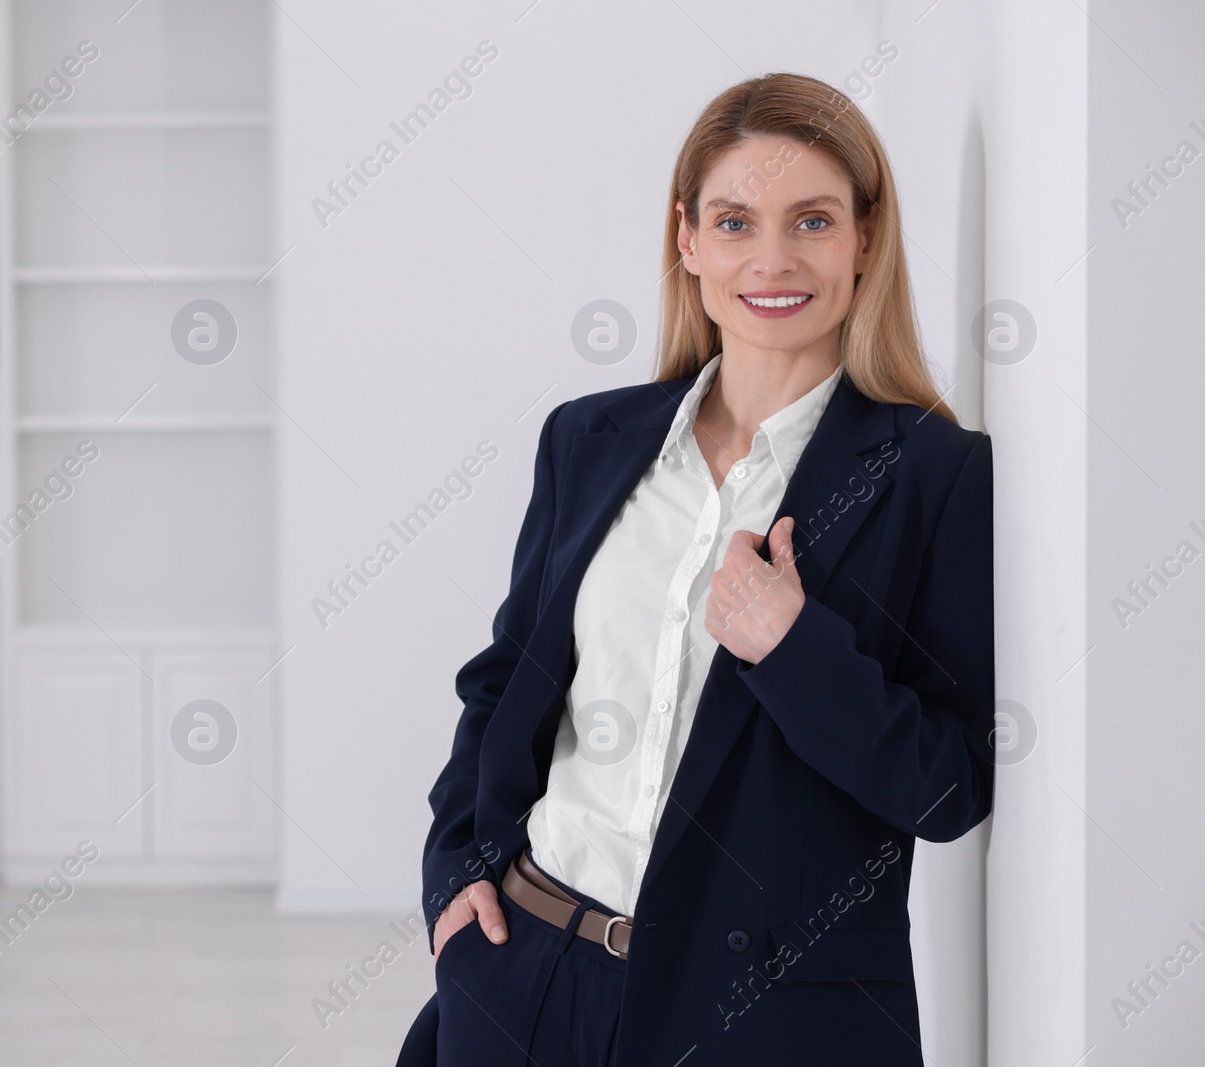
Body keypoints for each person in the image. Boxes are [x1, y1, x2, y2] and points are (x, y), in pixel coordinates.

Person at [397, 71, 995, 1066]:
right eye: (733, 220)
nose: (770, 257)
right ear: (686, 239)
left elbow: (946, 788)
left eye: (810, 220)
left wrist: (792, 645)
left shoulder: (932, 473)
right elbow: (505, 681)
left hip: (763, 1022)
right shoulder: (586, 438)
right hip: (525, 978)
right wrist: (458, 871)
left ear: (864, 240)